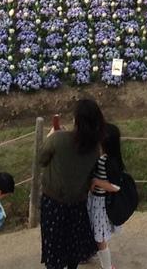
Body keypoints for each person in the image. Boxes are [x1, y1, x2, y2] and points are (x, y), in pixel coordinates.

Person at [38, 100, 103, 269]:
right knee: (73, 249)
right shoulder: (95, 148)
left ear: (76, 120)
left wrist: (50, 137)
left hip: (53, 203)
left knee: (54, 248)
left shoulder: (57, 139)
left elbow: (41, 160)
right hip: (78, 205)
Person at [87, 124, 123, 269]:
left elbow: (116, 187)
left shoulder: (105, 161)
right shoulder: (111, 159)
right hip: (95, 201)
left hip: (99, 203)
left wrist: (96, 182)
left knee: (100, 238)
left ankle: (107, 266)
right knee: (97, 235)